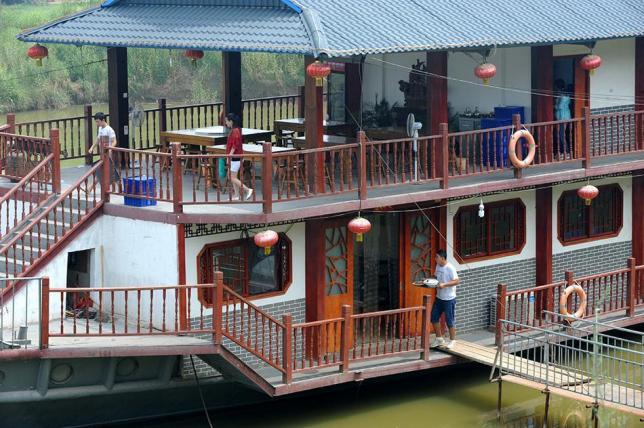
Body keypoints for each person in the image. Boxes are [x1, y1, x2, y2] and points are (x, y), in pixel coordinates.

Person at [430, 249, 460, 349]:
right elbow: (435, 277)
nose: (435, 259)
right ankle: (439, 339)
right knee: (434, 317)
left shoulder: (450, 268)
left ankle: (452, 340)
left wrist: (444, 284)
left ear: (442, 258)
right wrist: (428, 281)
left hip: (449, 299)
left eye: (437, 257)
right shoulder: (438, 266)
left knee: (449, 320)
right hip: (439, 298)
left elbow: (457, 281)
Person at [225, 113, 253, 201]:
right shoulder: (235, 130)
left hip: (236, 157)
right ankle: (237, 195)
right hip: (234, 157)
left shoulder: (235, 131)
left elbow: (235, 145)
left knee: (232, 177)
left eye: (227, 121)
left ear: (231, 121)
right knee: (231, 176)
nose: (226, 123)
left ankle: (247, 190)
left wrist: (230, 155)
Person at [554, 79, 571, 156]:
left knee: (561, 135)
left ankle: (566, 152)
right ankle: (563, 151)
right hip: (564, 116)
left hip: (563, 117)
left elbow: (559, 106)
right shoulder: (565, 94)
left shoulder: (562, 96)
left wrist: (554, 105)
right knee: (560, 134)